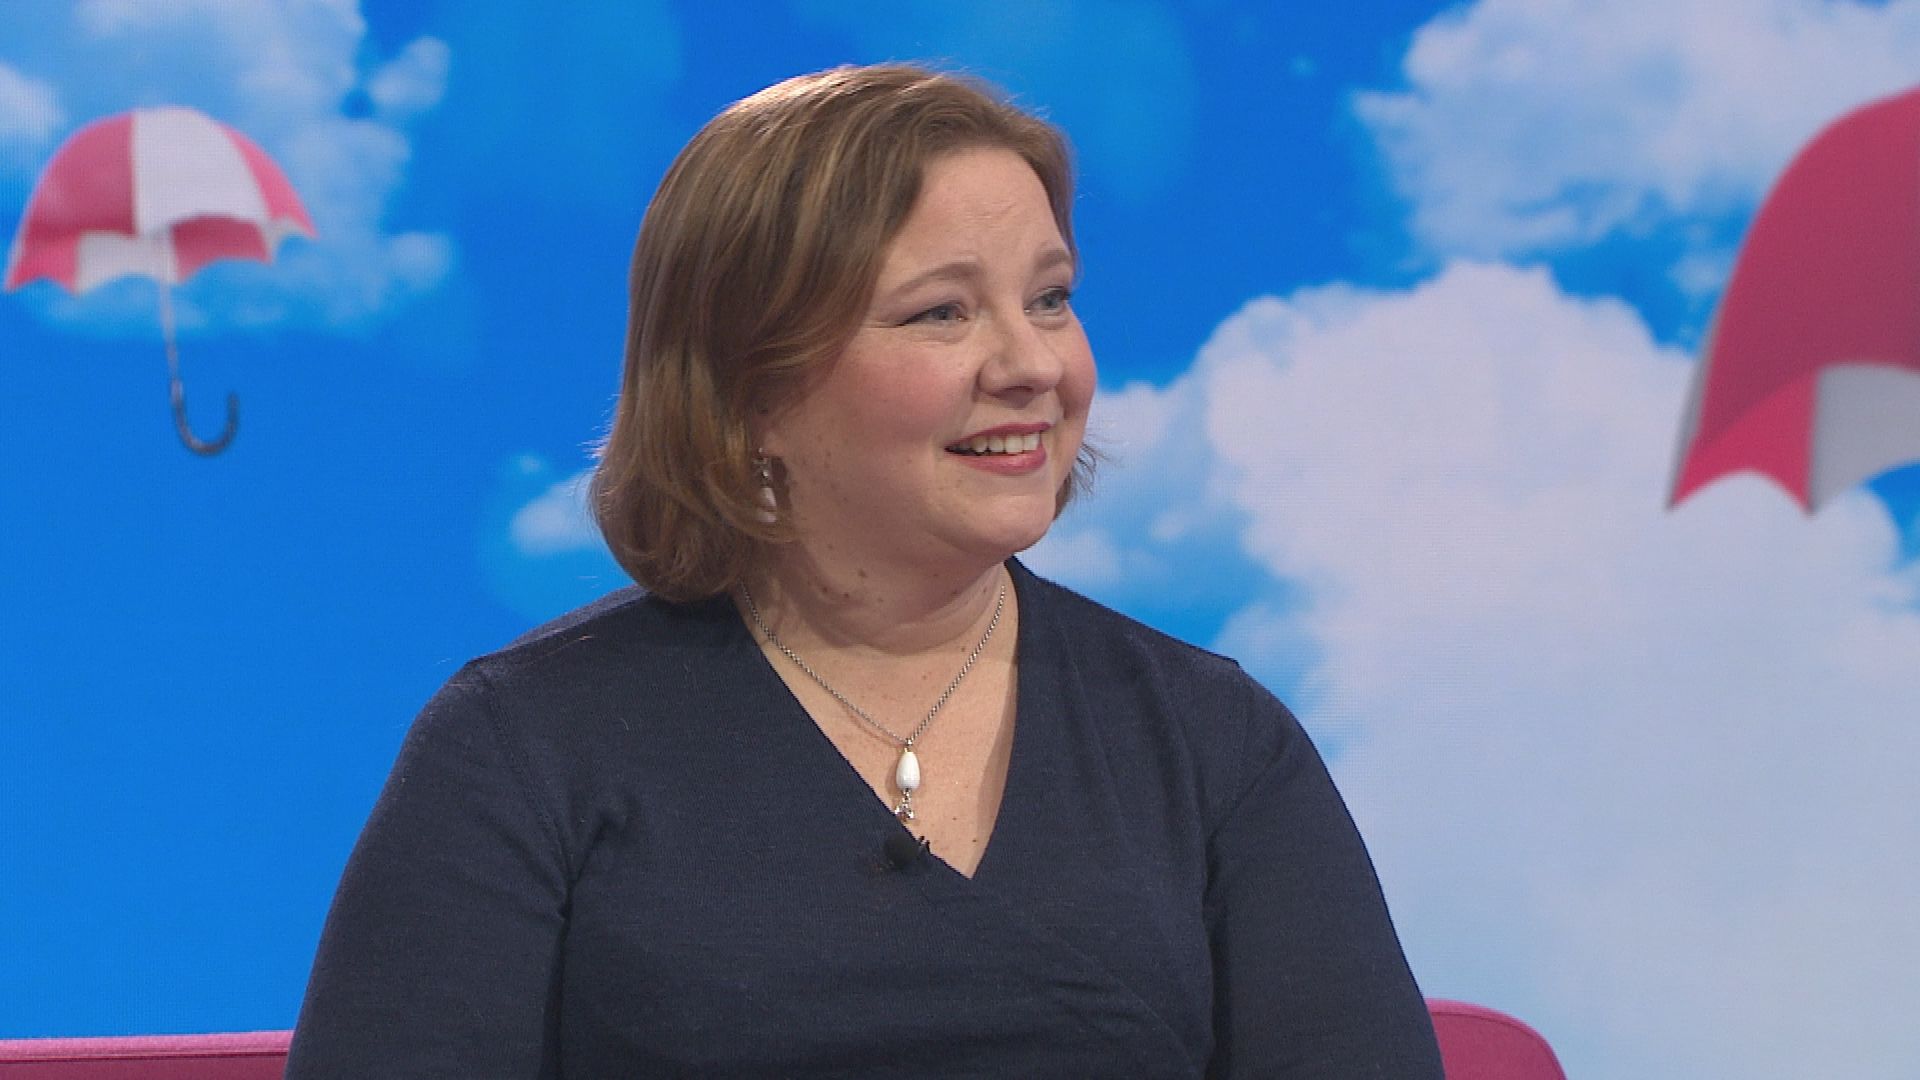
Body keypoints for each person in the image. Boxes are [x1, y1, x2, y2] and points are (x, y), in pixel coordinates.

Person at [285, 63, 1443, 1078]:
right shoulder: (524, 747)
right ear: (749, 388)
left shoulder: (1213, 741)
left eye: (1050, 299)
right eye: (941, 313)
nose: (1034, 365)